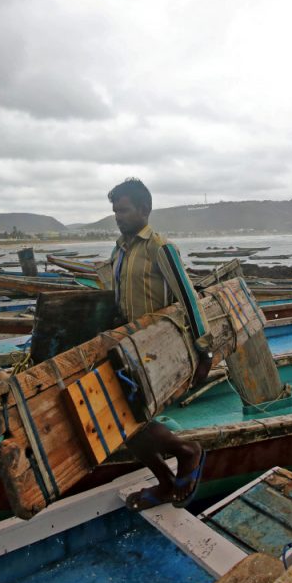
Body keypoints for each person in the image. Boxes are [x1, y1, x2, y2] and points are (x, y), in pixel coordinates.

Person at [104, 178, 210, 511]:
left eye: (123, 210)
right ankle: (166, 481)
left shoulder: (161, 248)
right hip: (128, 347)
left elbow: (189, 300)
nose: (117, 217)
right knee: (125, 423)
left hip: (157, 348)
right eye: (114, 211)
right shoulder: (119, 249)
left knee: (133, 421)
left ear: (144, 210)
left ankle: (187, 453)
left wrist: (204, 351)